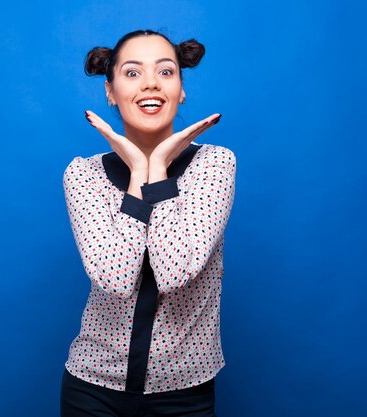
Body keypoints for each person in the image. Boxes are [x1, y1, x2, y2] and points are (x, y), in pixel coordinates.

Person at [60, 29, 236, 417]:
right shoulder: (83, 175)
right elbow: (116, 279)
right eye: (133, 73)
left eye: (166, 71)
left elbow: (176, 271)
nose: (151, 84)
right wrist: (141, 173)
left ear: (181, 89)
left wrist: (155, 170)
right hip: (92, 389)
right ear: (110, 91)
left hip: (184, 393)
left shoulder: (214, 164)